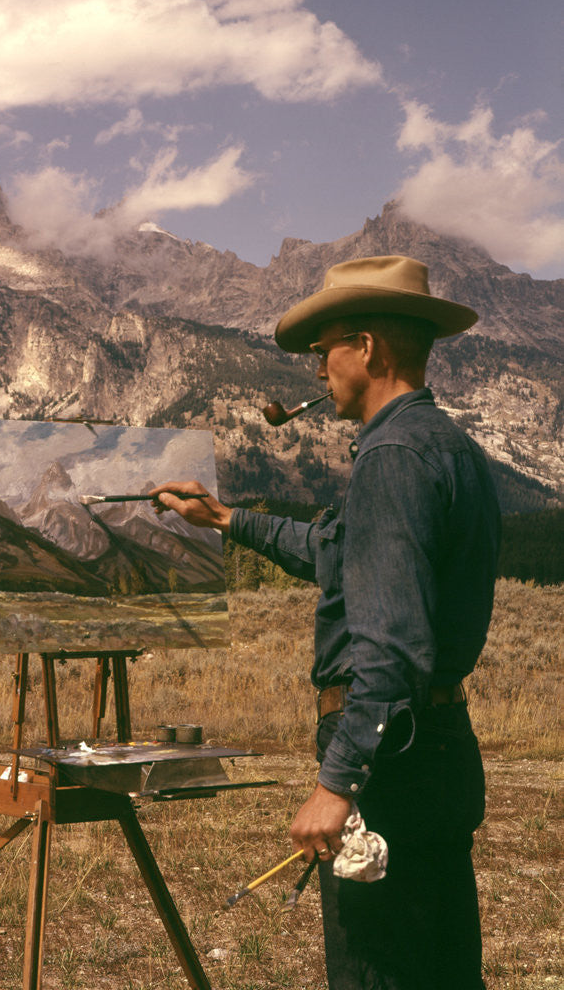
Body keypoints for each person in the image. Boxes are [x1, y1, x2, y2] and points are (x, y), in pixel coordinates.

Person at [150, 255, 501, 990]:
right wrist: (223, 519)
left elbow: (392, 650)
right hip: (435, 752)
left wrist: (338, 782)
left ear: (366, 347)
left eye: (323, 351)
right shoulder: (444, 447)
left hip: (392, 766)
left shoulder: (393, 457)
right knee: (439, 968)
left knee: (379, 970)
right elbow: (337, 550)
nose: (317, 371)